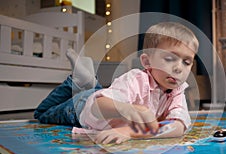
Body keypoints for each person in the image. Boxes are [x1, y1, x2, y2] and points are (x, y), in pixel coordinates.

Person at [34, 22, 199, 144]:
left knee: (96, 91)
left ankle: (90, 82)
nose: (179, 68)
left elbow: (179, 126)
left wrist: (130, 131)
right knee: (42, 113)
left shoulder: (177, 91)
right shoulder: (136, 79)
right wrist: (127, 109)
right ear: (147, 62)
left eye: (187, 62)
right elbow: (97, 106)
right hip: (83, 107)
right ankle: (76, 82)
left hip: (103, 94)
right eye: (170, 58)